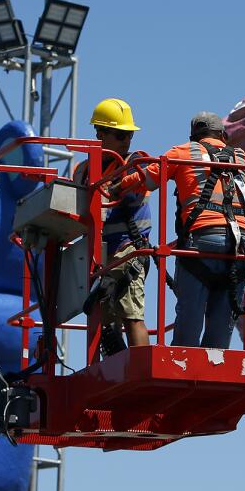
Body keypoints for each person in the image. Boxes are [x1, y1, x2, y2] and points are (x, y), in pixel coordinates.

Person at [113, 111, 245, 349]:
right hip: (240, 249)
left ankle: (182, 367)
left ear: (194, 136)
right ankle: (213, 372)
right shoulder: (241, 157)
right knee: (220, 336)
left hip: (201, 246)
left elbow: (148, 178)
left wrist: (116, 186)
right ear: (222, 135)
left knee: (188, 325)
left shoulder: (184, 151)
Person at [74, 98, 152, 353]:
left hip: (129, 249)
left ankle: (140, 368)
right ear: (99, 132)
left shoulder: (136, 162)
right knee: (105, 322)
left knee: (130, 314)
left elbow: (133, 191)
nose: (127, 140)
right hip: (100, 254)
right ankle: (116, 368)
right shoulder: (86, 169)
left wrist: (111, 187)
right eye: (120, 135)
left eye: (128, 134)